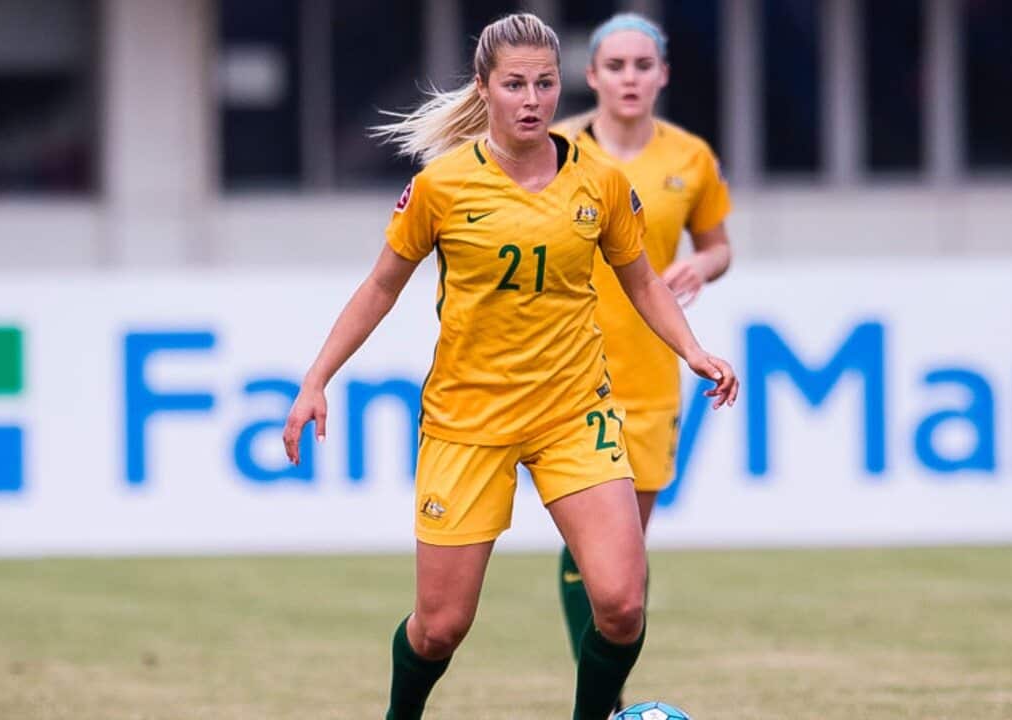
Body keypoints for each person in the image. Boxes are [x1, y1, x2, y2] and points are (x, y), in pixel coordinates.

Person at [280, 13, 737, 720]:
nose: (531, 99)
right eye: (515, 84)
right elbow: (379, 287)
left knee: (620, 603)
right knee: (440, 629)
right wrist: (315, 381)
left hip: (574, 413)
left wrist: (694, 351)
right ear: (484, 87)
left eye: (544, 83)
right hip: (468, 423)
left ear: (561, 87)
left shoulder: (602, 185)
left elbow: (643, 281)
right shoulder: (443, 187)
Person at [552, 12, 734, 689]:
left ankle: (604, 693)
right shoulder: (556, 147)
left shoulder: (690, 157)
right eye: (616, 66)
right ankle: (605, 701)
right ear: (593, 74)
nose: (630, 77)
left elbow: (718, 245)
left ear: (662, 74)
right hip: (568, 372)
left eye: (642, 65)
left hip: (652, 370)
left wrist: (702, 268)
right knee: (589, 548)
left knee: (627, 552)